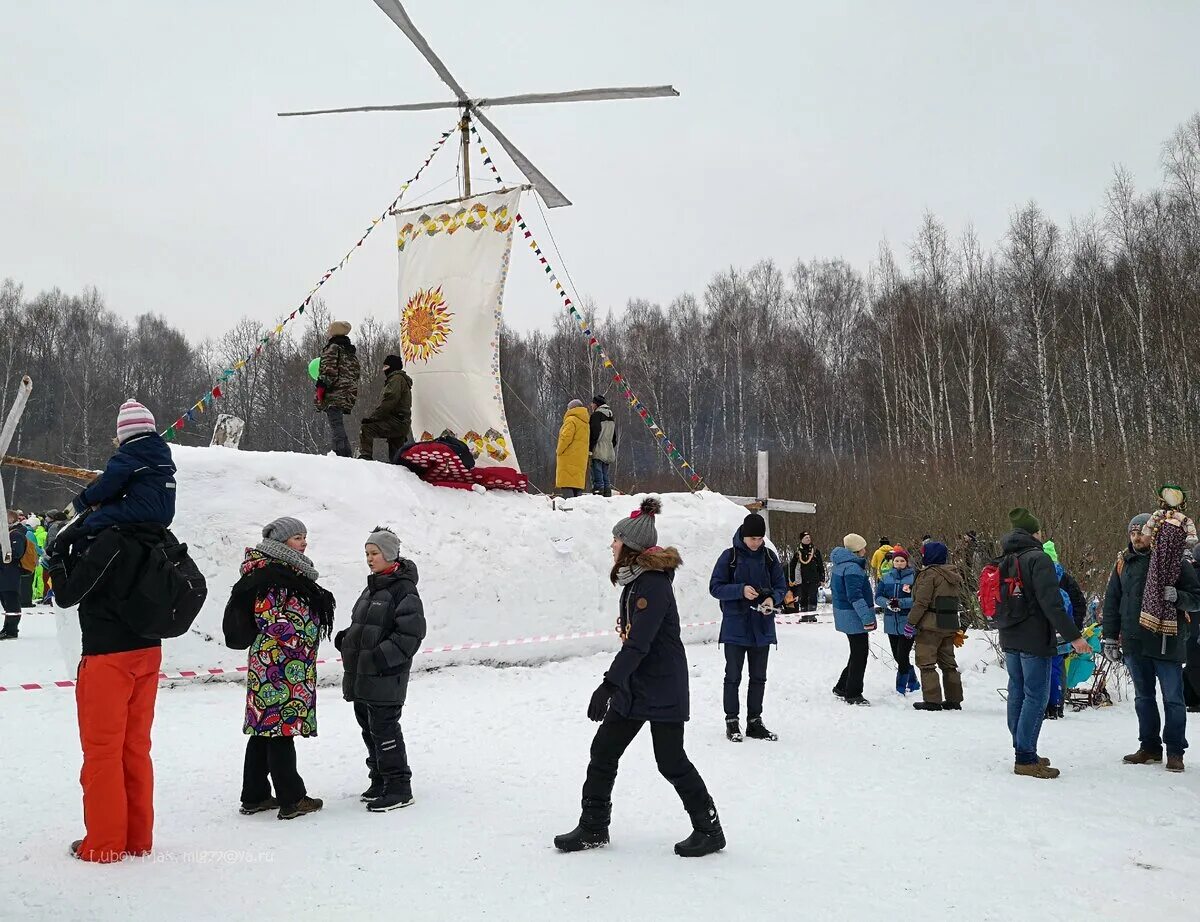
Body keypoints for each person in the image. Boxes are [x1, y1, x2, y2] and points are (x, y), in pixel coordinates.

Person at [554, 498, 724, 857]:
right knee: (604, 750)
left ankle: (709, 829)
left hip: (661, 685)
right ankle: (593, 827)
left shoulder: (653, 585)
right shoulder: (636, 581)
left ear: (629, 547)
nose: (612, 546)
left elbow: (639, 644)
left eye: (616, 540)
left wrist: (608, 684)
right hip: (636, 685)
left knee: (671, 760)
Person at [44, 519, 174, 861]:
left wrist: (58, 557)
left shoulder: (105, 539)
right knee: (135, 748)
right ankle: (137, 838)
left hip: (107, 656)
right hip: (148, 650)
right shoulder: (154, 532)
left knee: (102, 752)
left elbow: (69, 595)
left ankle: (103, 844)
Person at [228, 517, 335, 820]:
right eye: (297, 537)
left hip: (275, 663)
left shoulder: (280, 571)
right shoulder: (273, 575)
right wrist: (299, 642)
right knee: (280, 728)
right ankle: (293, 798)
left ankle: (255, 795)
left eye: (304, 536)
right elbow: (270, 618)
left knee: (264, 728)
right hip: (279, 665)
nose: (304, 542)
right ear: (281, 542)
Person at [335, 527, 427, 812]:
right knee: (368, 729)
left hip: (385, 676)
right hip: (363, 675)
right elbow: (365, 625)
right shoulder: (372, 587)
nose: (369, 559)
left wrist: (378, 658)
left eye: (374, 553)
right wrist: (347, 639)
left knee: (385, 730)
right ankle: (379, 779)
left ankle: (399, 787)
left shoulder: (403, 589)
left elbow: (410, 635)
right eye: (367, 554)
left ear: (388, 555)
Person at [994, 508, 1090, 779]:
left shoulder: (1005, 559)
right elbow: (1052, 603)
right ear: (1034, 533)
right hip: (1035, 638)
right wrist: (1074, 636)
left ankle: (1022, 748)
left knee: (1018, 692)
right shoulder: (1039, 559)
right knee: (1036, 696)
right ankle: (1025, 758)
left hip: (1009, 635)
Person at [1102, 512, 1200, 773]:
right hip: (1134, 642)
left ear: (1153, 534)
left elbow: (1196, 598)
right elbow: (1112, 602)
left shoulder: (1174, 561)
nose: (1136, 538)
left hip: (1167, 640)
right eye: (1132, 533)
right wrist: (1110, 637)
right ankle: (1149, 747)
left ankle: (1175, 750)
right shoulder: (1123, 562)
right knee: (1143, 698)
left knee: (1173, 699)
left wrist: (1178, 596)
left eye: (1140, 532)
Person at [709, 512, 786, 742]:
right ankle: (732, 721)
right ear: (743, 535)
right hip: (735, 626)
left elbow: (781, 586)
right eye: (752, 538)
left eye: (760, 539)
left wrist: (773, 599)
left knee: (759, 677)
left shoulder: (770, 557)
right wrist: (739, 590)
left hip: (762, 627)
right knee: (732, 676)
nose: (756, 543)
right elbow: (715, 587)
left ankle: (755, 721)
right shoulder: (729, 557)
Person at [68, 400, 177, 537]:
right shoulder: (161, 453)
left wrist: (83, 499)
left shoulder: (128, 455)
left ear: (124, 433)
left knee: (93, 521)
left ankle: (82, 555)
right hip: (166, 513)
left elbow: (107, 484)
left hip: (142, 509)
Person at [906, 541, 964, 712]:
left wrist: (911, 623)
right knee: (948, 663)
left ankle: (932, 700)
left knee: (926, 663)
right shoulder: (952, 574)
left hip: (930, 624)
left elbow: (921, 602)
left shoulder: (929, 575)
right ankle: (954, 699)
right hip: (949, 622)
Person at [1041, 540, 1086, 720]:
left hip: (1043, 631)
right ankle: (1057, 704)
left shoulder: (1039, 576)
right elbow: (1079, 603)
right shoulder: (1065, 578)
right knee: (1058, 668)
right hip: (1063, 632)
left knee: (1043, 668)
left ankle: (1046, 705)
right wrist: (1074, 631)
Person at [831, 533, 876, 706]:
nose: (866, 549)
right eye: (863, 547)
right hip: (854, 616)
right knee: (860, 654)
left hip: (845, 614)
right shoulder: (853, 569)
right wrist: (866, 617)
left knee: (856, 652)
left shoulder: (840, 565)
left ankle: (842, 686)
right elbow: (855, 596)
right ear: (857, 550)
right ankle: (853, 693)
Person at [314, 320, 362, 458]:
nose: (327, 331)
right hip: (348, 393)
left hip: (334, 393)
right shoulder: (350, 352)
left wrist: (320, 389)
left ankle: (341, 455)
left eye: (329, 329)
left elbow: (328, 371)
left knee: (336, 426)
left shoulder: (333, 348)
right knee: (338, 424)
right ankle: (344, 453)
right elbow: (355, 374)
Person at [876, 546, 918, 696]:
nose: (899, 563)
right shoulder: (886, 577)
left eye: (902, 561)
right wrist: (887, 603)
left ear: (907, 562)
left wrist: (901, 603)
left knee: (903, 653)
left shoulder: (914, 577)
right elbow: (878, 596)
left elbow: (917, 599)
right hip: (890, 621)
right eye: (896, 561)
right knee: (897, 655)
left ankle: (901, 686)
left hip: (908, 621)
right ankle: (913, 680)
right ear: (892, 562)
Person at [358, 354, 413, 461]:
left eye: (386, 367)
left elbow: (389, 400)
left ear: (392, 367)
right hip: (402, 422)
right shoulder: (402, 380)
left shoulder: (396, 379)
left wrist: (374, 418)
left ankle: (365, 457)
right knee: (396, 459)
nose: (384, 370)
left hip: (396, 422)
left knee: (367, 429)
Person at [0, 510, 28, 640]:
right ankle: (7, 627)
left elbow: (15, 554)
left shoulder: (16, 535)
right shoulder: (7, 535)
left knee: (11, 602)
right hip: (4, 574)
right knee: (6, 602)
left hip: (10, 574)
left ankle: (11, 629)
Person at [555, 399, 591, 498]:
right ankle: (577, 509)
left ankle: (569, 510)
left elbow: (565, 438)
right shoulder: (586, 423)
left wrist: (559, 450)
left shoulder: (571, 420)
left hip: (568, 458)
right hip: (580, 458)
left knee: (567, 484)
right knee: (577, 486)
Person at [587, 395, 618, 498]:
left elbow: (594, 433)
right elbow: (614, 437)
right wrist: (610, 446)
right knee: (605, 475)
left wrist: (590, 448)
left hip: (598, 448)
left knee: (597, 474)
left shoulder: (596, 415)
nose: (591, 405)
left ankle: (598, 495)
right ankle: (607, 495)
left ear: (596, 404)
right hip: (608, 449)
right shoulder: (611, 416)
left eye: (593, 403)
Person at [792, 532, 824, 616]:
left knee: (813, 596)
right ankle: (804, 614)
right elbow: (792, 566)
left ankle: (812, 614)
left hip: (814, 578)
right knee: (803, 597)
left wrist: (822, 578)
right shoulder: (798, 552)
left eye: (809, 537)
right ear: (802, 539)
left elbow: (820, 565)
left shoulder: (815, 551)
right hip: (802, 579)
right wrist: (792, 579)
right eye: (806, 538)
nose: (808, 539)